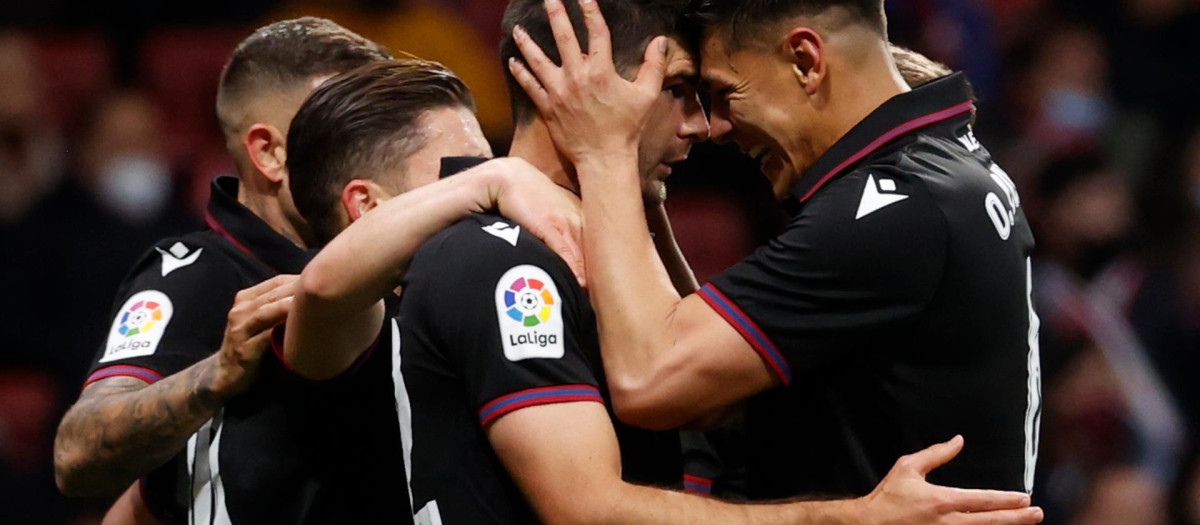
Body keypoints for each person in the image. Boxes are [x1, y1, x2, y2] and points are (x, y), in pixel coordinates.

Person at [282, 2, 1041, 524]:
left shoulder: (898, 200)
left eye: (710, 92)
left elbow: (694, 394)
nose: (704, 124)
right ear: (576, 85)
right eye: (679, 91)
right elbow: (591, 505)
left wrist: (628, 189)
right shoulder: (502, 262)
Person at [507, 0, 1040, 501]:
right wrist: (643, 200)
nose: (713, 128)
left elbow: (650, 383)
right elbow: (713, 390)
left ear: (805, 61)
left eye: (722, 92)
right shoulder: (943, 171)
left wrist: (606, 152)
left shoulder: (893, 208)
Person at [52, 17, 394, 521]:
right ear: (270, 153)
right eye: (350, 133)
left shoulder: (400, 259)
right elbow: (76, 453)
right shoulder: (198, 275)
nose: (379, 155)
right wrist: (218, 374)